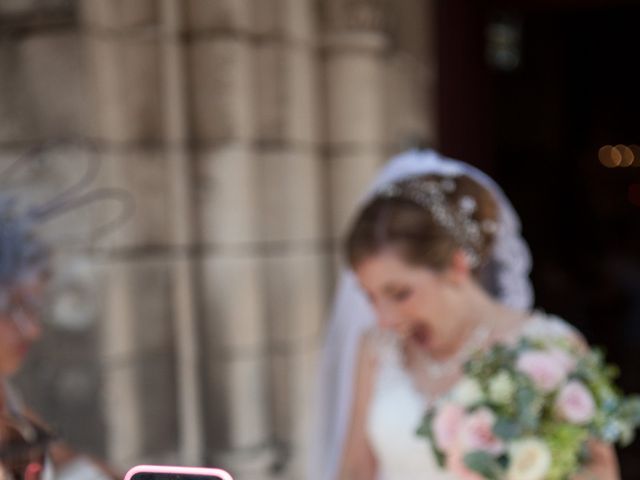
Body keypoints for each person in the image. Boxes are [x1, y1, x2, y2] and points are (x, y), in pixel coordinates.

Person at [309, 149, 619, 480]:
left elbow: (599, 472)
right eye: (369, 297)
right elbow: (354, 471)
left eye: (399, 293)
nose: (384, 318)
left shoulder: (549, 349)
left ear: (457, 266)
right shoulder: (376, 349)